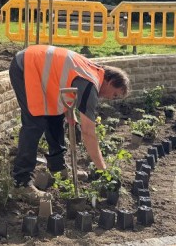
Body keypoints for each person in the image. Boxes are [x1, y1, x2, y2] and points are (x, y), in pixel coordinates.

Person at [9, 45, 130, 201]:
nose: (109, 99)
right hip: (26, 66)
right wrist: (103, 170)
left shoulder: (93, 72)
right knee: (34, 123)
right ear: (111, 81)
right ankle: (21, 182)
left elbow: (65, 82)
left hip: (38, 68)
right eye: (114, 95)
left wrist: (71, 116)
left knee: (56, 116)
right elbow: (89, 133)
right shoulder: (90, 85)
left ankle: (58, 168)